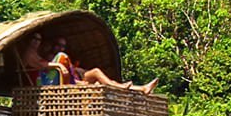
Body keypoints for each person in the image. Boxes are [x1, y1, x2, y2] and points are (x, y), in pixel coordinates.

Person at [20, 36, 156, 93]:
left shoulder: (41, 54)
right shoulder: (28, 54)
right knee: (63, 58)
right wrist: (60, 65)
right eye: (34, 38)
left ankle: (141, 89)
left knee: (95, 73)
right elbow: (42, 66)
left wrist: (78, 70)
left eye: (39, 39)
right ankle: (121, 86)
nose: (36, 41)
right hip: (47, 83)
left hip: (63, 78)